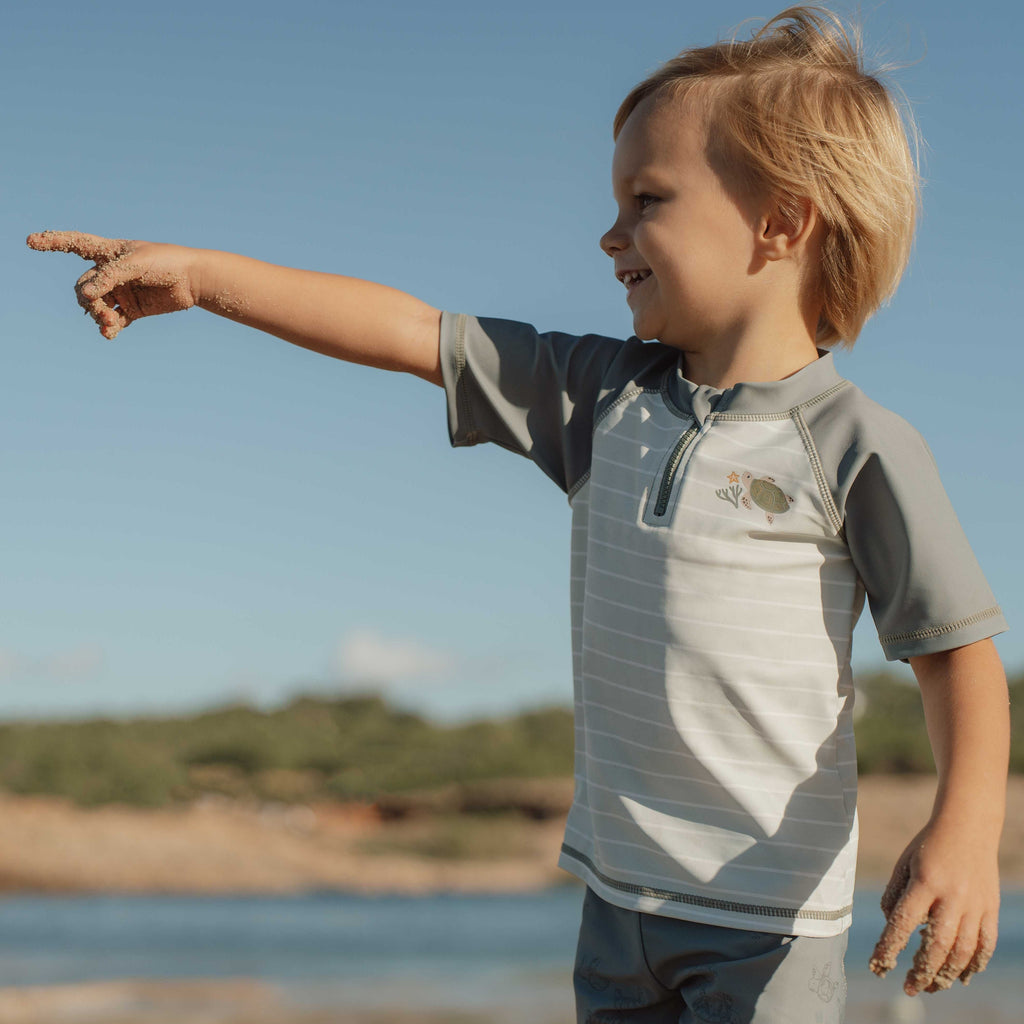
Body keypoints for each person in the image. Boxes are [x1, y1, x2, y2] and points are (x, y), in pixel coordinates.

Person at [27, 5, 1009, 1022]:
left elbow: (955, 654)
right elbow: (412, 329)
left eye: (647, 199)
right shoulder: (598, 398)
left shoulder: (855, 445)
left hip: (764, 918)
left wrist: (967, 829)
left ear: (781, 223)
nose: (609, 233)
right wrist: (203, 276)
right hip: (615, 900)